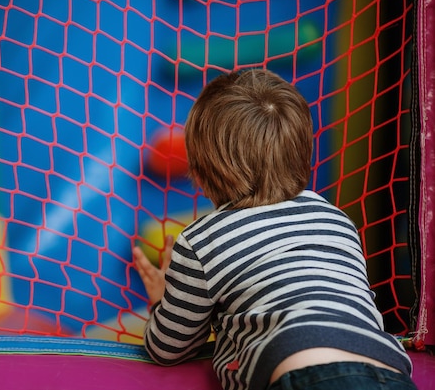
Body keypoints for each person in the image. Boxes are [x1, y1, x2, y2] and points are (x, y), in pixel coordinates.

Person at [132, 69, 417, 390]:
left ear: (199, 169)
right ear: (300, 153)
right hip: (388, 371)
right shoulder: (336, 220)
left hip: (301, 373)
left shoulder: (202, 239)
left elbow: (168, 348)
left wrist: (164, 299)